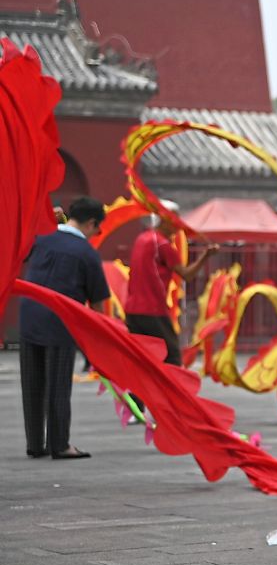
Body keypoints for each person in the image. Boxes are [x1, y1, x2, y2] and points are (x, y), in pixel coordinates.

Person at [19, 196, 111, 459]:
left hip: (29, 315)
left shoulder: (42, 238)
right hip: (60, 321)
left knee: (33, 383)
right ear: (92, 223)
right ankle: (60, 445)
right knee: (58, 384)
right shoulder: (86, 253)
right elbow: (98, 303)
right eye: (98, 229)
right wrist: (100, 339)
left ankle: (36, 444)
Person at [125, 202, 218, 414]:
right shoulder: (163, 245)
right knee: (172, 357)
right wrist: (205, 256)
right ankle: (176, 405)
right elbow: (186, 274)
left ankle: (136, 406)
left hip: (133, 309)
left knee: (143, 358)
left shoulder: (142, 239)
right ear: (164, 219)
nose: (178, 225)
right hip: (153, 310)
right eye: (175, 219)